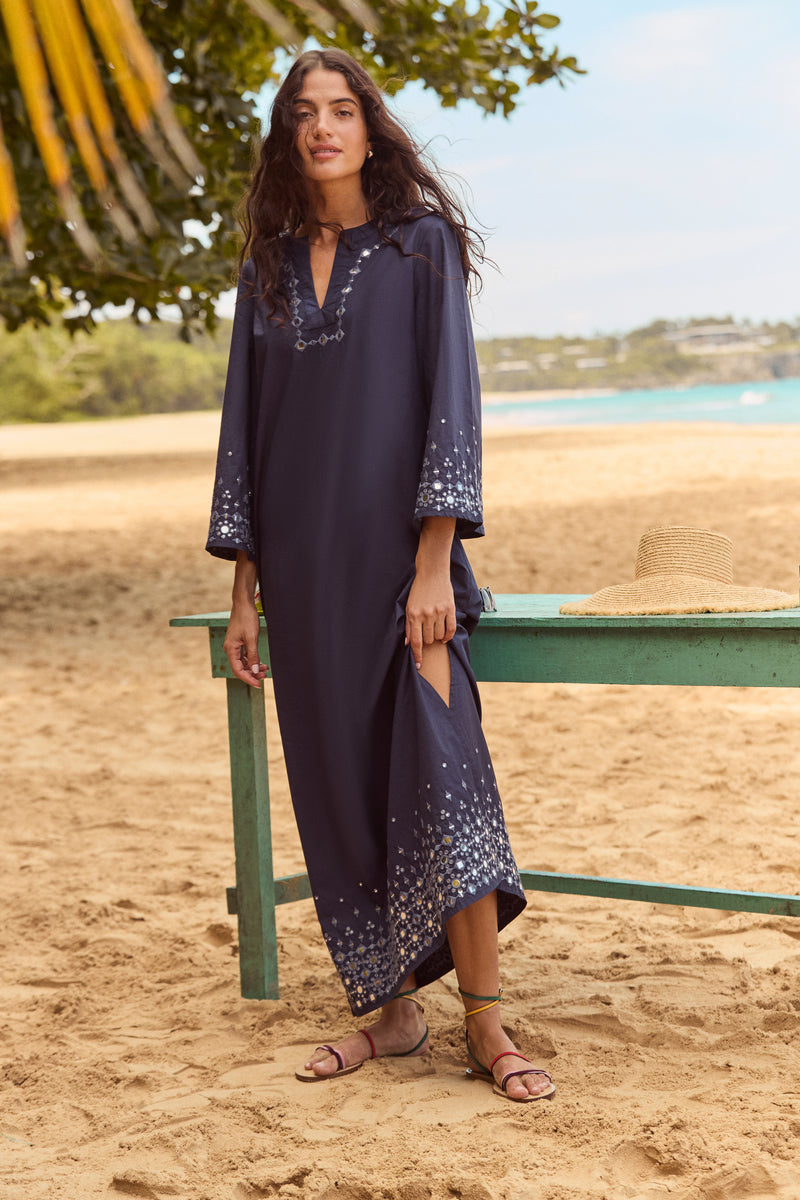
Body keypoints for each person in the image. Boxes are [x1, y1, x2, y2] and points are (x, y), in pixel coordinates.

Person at [206, 48, 554, 1103]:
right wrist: (242, 592)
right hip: (301, 581)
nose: (323, 128)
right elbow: (246, 437)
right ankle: (391, 1014)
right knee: (338, 795)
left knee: (444, 778)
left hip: (407, 574)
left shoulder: (418, 249)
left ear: (368, 126)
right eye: (304, 113)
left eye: (341, 110)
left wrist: (434, 564)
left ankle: (486, 1029)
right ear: (287, 134)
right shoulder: (264, 266)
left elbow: (451, 400)